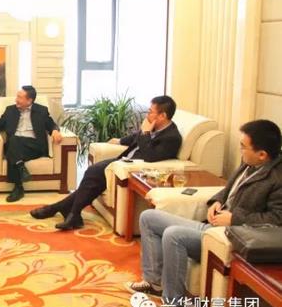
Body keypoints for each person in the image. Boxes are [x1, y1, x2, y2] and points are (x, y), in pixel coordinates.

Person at [124, 119, 282, 307]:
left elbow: (276, 220)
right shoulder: (249, 163)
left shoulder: (277, 178)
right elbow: (228, 190)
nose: (240, 150)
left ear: (262, 154)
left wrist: (234, 218)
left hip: (229, 237)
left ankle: (175, 306)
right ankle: (154, 282)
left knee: (174, 235)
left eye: (243, 146)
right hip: (212, 226)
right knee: (148, 218)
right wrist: (216, 201)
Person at [30, 95, 182, 230]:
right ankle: (66, 211)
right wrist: (119, 140)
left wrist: (146, 132)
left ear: (162, 116)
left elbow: (150, 156)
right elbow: (135, 137)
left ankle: (66, 211)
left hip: (133, 168)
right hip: (123, 161)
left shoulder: (172, 137)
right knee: (93, 179)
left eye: (151, 111)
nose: (147, 114)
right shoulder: (154, 127)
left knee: (93, 172)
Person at [0, 85, 63, 202]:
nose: (16, 100)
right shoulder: (10, 110)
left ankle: (18, 186)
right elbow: (0, 122)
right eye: (17, 96)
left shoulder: (41, 110)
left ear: (29, 100)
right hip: (16, 145)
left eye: (20, 97)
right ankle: (19, 179)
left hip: (34, 146)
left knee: (12, 146)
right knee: (14, 141)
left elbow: (51, 124)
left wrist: (55, 130)